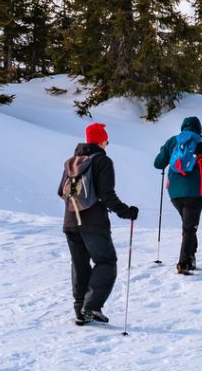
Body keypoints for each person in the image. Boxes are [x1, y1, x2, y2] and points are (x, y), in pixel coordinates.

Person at [58, 122, 138, 326]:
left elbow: (61, 191)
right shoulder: (102, 161)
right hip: (93, 222)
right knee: (106, 261)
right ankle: (91, 306)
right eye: (107, 141)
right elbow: (107, 194)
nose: (107, 145)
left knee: (80, 263)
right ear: (101, 141)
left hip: (70, 220)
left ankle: (80, 309)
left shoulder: (72, 161)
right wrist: (126, 212)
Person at [153, 116, 202, 273]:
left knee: (188, 226)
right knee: (189, 228)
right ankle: (184, 263)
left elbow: (158, 163)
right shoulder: (201, 141)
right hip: (194, 192)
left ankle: (191, 257)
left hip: (174, 192)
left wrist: (163, 150)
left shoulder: (173, 141)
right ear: (198, 128)